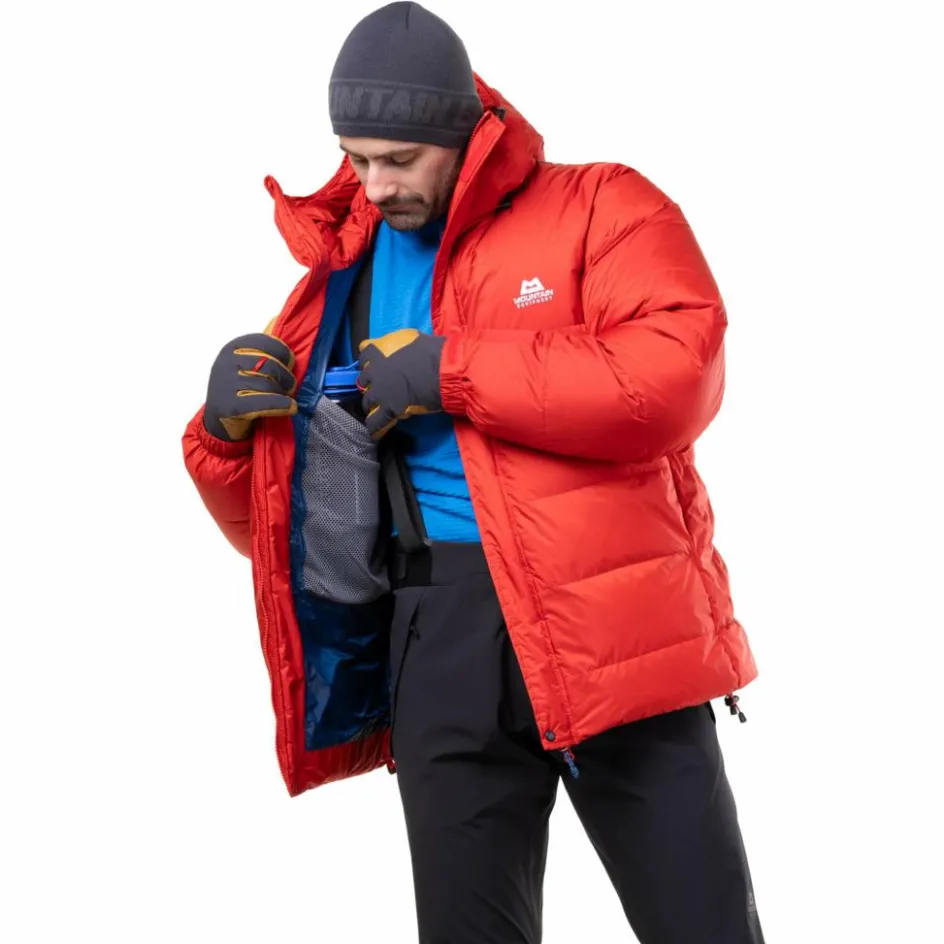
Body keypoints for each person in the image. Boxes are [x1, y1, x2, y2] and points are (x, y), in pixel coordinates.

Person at [182, 3, 765, 941]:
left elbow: (674, 376)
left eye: (399, 159)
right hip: (438, 636)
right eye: (355, 159)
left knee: (704, 926)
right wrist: (222, 435)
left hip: (612, 624)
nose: (374, 185)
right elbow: (282, 531)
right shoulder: (341, 276)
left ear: (463, 130)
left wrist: (449, 372)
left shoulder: (602, 206)